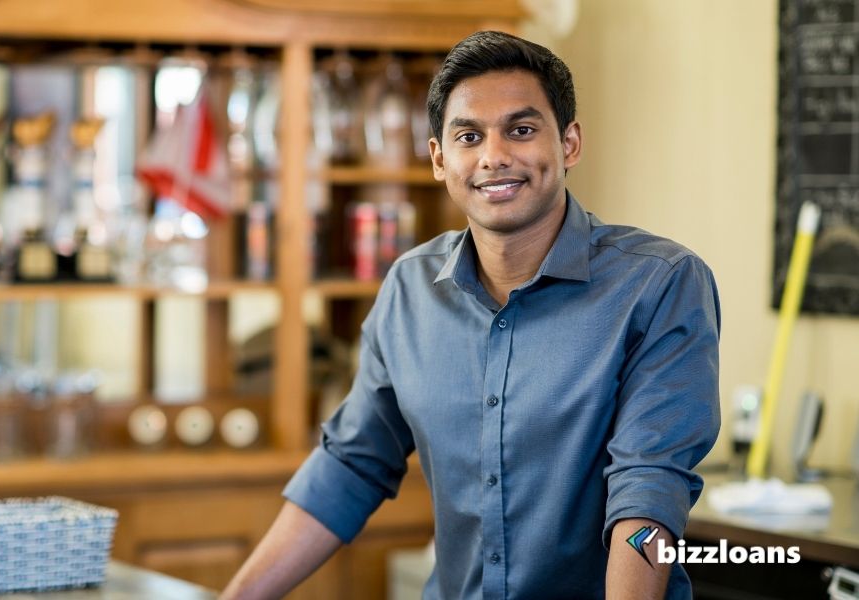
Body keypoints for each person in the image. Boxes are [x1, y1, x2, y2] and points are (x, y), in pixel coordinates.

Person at [221, 30, 720, 600]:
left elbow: (648, 491)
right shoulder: (410, 289)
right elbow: (351, 465)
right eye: (468, 136)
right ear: (439, 158)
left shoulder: (659, 284)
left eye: (522, 129)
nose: (494, 156)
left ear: (570, 144)